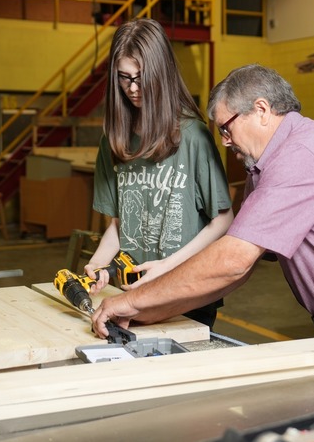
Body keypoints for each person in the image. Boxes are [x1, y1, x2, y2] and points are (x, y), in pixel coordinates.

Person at [92, 63, 314, 391]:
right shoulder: (269, 164)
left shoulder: (299, 157)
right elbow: (239, 271)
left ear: (261, 109)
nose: (225, 141)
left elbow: (232, 260)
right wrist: (153, 311)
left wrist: (134, 301)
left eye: (226, 127)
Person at [84, 18, 233, 328]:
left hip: (187, 291)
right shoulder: (114, 141)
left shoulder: (193, 136)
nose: (133, 88)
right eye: (124, 78)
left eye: (141, 78)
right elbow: (118, 224)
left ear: (161, 74)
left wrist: (167, 266)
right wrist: (98, 264)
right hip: (132, 290)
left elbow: (223, 219)